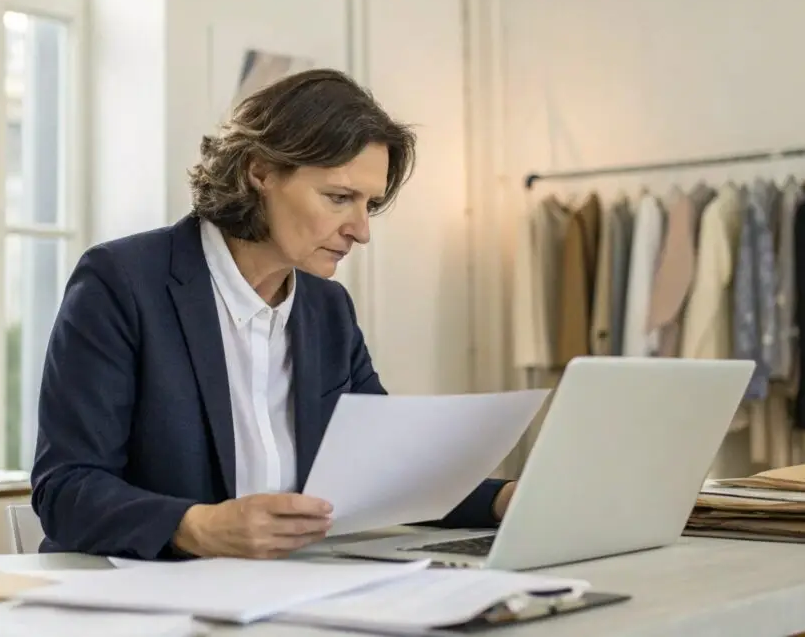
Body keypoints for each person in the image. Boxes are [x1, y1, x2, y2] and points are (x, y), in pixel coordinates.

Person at [30, 68, 518, 560]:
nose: (361, 230)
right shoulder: (122, 282)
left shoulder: (328, 310)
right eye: (339, 197)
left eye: (369, 204)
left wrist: (504, 499)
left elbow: (386, 468)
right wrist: (196, 525)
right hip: (139, 600)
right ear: (259, 171)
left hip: (284, 588)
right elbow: (65, 487)